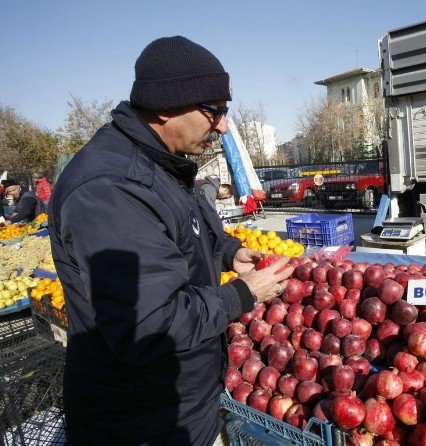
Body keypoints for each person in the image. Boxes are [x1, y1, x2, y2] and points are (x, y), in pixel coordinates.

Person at [48, 36, 293, 446]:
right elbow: (147, 322)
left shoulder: (158, 164)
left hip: (180, 409)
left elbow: (184, 231)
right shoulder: (110, 189)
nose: (223, 125)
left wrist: (232, 251)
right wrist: (240, 295)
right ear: (166, 106)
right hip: (139, 425)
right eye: (214, 111)